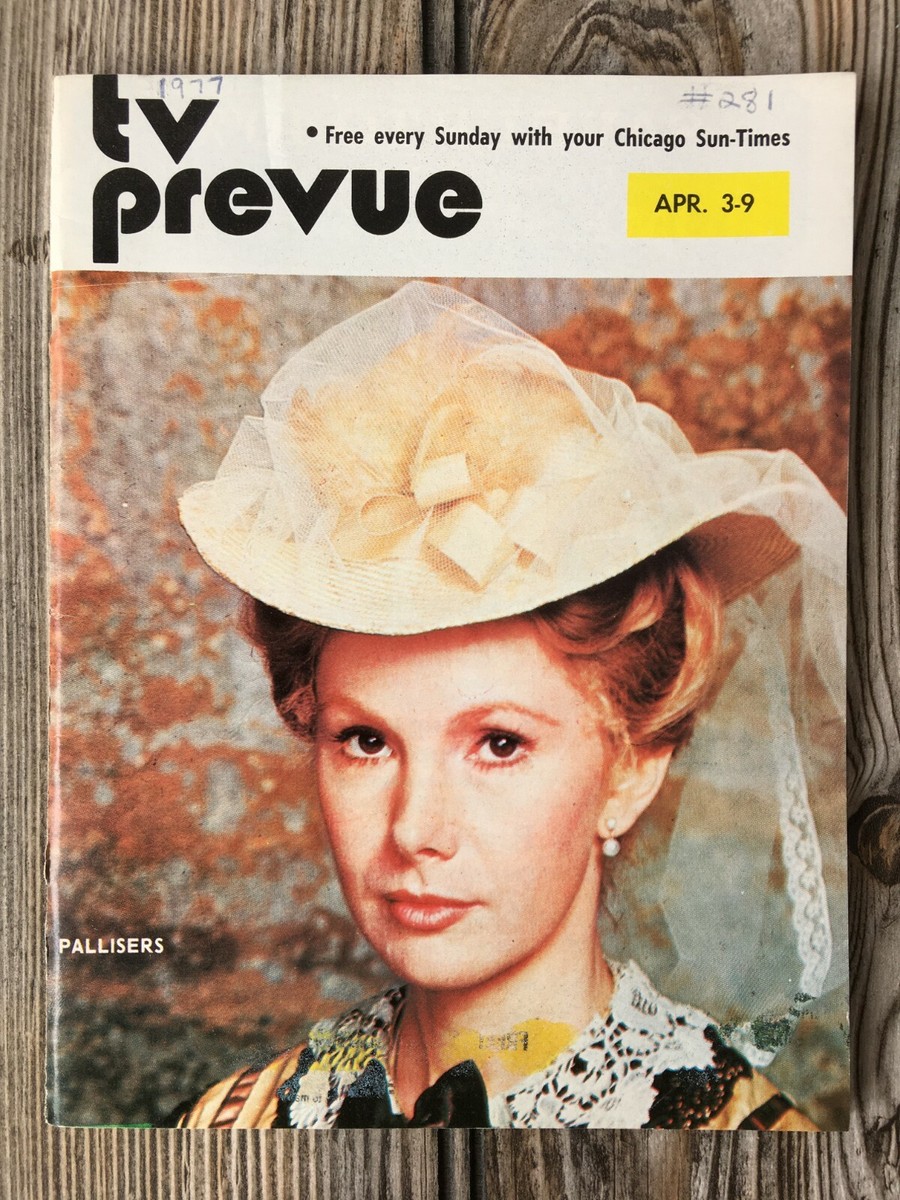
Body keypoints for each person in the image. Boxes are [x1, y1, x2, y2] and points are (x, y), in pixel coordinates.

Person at [171, 282, 845, 1129]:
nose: (416, 830)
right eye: (367, 740)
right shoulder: (226, 1128)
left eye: (498, 743)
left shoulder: (754, 1152)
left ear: (632, 767)